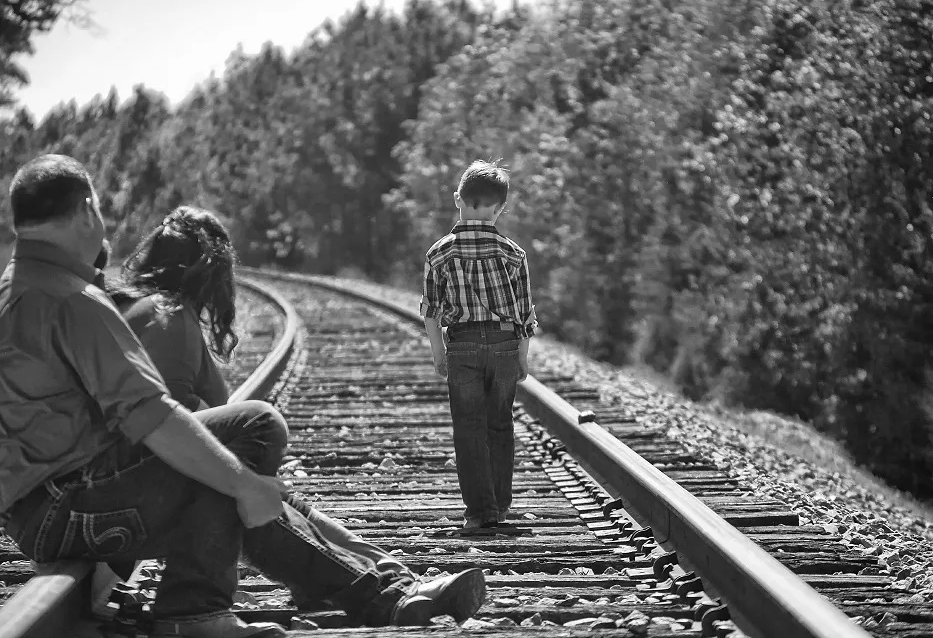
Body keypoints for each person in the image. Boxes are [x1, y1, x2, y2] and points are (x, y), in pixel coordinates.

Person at [0, 155, 484, 638]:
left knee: (235, 477)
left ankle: (385, 595)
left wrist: (243, 483)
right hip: (73, 507)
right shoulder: (72, 300)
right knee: (251, 432)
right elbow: (151, 416)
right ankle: (197, 610)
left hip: (38, 512)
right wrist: (243, 483)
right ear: (87, 209)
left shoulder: (14, 292)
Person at [420, 160, 538, 530]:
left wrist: (439, 353)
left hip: (463, 345)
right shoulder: (513, 253)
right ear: (500, 208)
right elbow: (524, 315)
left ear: (458, 199)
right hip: (504, 344)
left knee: (468, 427)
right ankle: (500, 506)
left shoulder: (439, 253)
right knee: (500, 424)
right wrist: (522, 358)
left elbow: (431, 311)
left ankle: (479, 512)